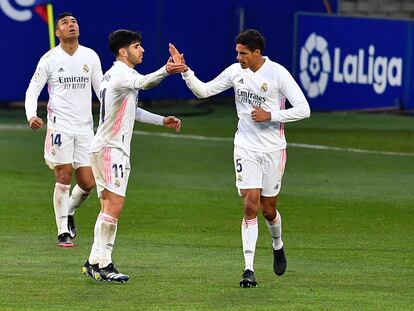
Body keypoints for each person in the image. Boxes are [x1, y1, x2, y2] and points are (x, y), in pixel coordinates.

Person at [170, 29, 311, 287]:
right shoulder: (236, 73)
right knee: (250, 204)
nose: (238, 58)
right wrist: (185, 71)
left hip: (273, 149)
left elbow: (304, 109)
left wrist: (272, 115)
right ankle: (248, 269)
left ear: (257, 53)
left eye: (243, 53)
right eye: (237, 53)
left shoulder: (278, 73)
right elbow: (203, 91)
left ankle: (277, 244)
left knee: (268, 210)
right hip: (245, 147)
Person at [81, 29, 186, 283]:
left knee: (107, 207)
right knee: (113, 207)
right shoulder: (122, 74)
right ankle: (105, 265)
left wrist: (162, 120)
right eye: (137, 46)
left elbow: (132, 110)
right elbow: (145, 83)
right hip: (111, 149)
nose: (142, 50)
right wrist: (166, 69)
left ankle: (94, 262)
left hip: (104, 147)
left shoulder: (112, 76)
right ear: (122, 51)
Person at [25, 12, 103, 247]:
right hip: (60, 126)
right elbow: (32, 90)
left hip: (85, 129)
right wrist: (31, 115)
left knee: (88, 182)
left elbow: (101, 92)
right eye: (65, 23)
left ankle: (68, 211)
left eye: (74, 22)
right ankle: (62, 231)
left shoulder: (90, 56)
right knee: (63, 177)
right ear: (57, 32)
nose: (71, 25)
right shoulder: (49, 59)